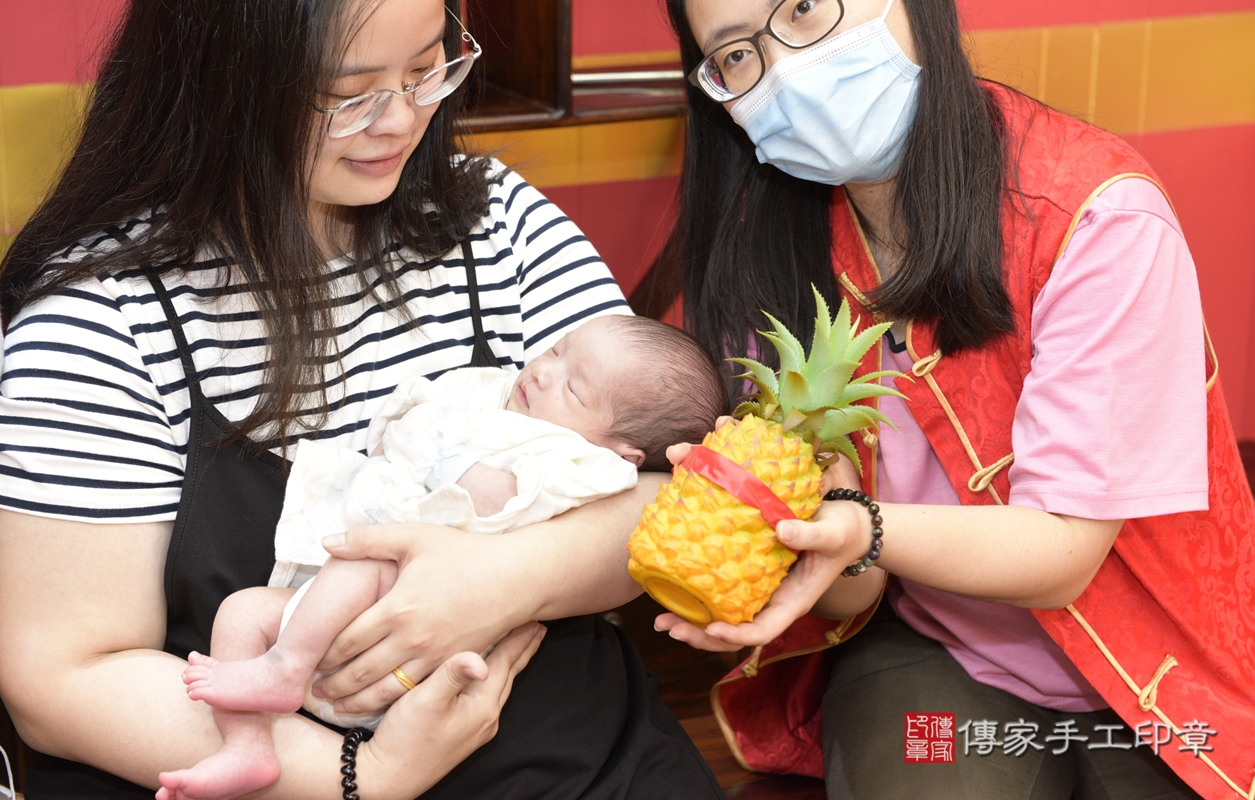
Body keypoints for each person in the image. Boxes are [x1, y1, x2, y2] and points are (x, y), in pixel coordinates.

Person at [0, 0, 726, 798]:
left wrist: (504, 578)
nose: (401, 121)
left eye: (425, 70)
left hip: (585, 761)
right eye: (347, 96)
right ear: (220, 83)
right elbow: (62, 679)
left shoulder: (497, 217)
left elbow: (670, 485)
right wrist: (366, 777)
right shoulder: (104, 320)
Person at [640, 0, 1255, 798]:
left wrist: (857, 526)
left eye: (802, 8)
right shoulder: (768, 245)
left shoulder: (1094, 214)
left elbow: (1063, 555)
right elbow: (855, 581)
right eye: (734, 56)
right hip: (937, 648)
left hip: (1159, 661)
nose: (783, 70)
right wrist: (806, 531)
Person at [163, 315, 727, 800]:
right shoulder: (498, 396)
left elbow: (508, 497)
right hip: (343, 628)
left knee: (371, 553)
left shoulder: (583, 462)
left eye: (574, 389)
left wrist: (437, 453)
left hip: (428, 624)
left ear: (624, 454)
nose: (543, 372)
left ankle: (285, 668)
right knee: (241, 613)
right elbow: (407, 418)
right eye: (556, 350)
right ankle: (247, 746)